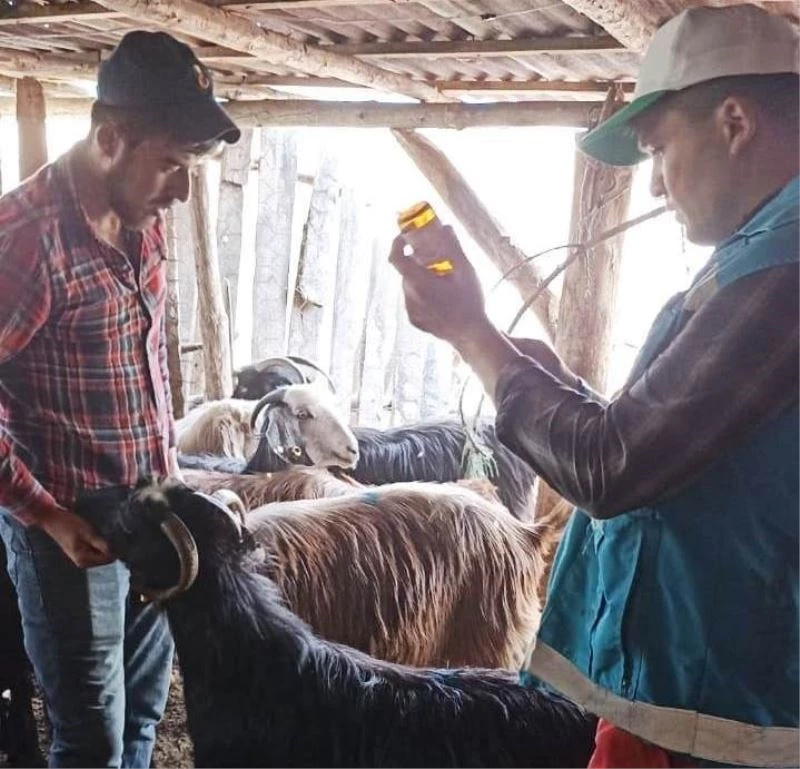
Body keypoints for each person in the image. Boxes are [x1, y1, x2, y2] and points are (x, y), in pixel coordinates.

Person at [390, 5, 798, 767]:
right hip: (702, 695)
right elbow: (677, 448)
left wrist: (474, 336)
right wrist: (529, 366)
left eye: (659, 149)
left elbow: (616, 466)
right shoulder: (757, 255)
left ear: (735, 123)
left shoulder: (786, 267)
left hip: (734, 715)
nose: (652, 188)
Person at [0, 30, 240, 767]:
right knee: (93, 738)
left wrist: (179, 486)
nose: (183, 190)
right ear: (110, 138)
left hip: (152, 514)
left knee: (141, 719)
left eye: (192, 165)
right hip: (73, 530)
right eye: (171, 163)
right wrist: (46, 513)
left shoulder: (143, 224)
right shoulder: (25, 238)